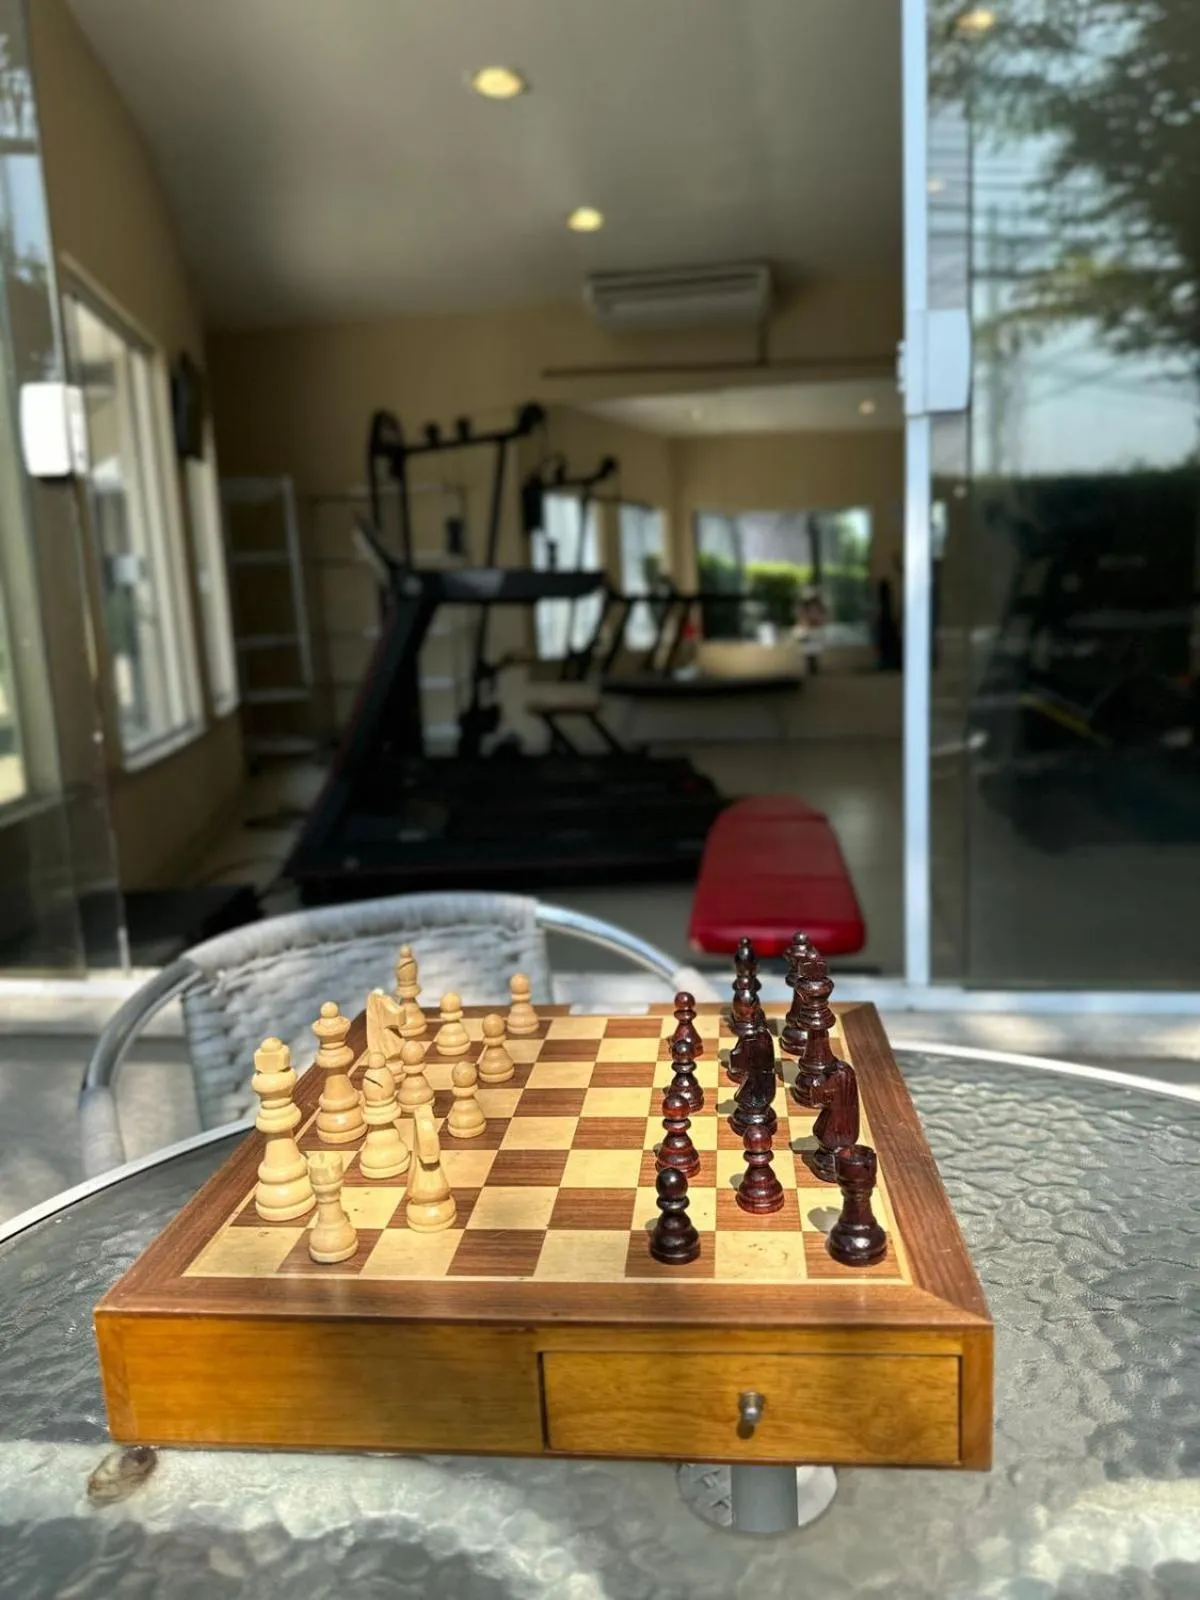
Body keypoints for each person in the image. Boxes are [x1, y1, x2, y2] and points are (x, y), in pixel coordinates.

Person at [796, 585, 828, 676]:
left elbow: (823, 616)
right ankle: (810, 666)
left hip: (815, 629)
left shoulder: (818, 604)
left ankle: (813, 667)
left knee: (814, 649)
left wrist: (818, 621)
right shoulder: (803, 605)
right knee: (808, 650)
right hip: (808, 629)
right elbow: (800, 616)